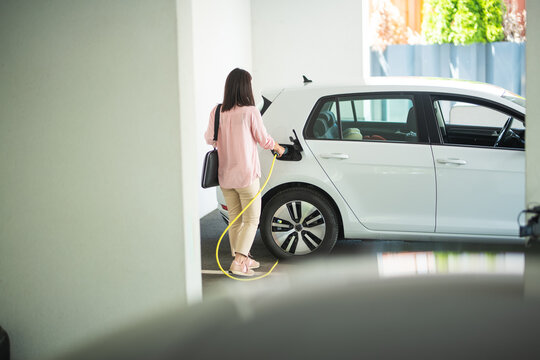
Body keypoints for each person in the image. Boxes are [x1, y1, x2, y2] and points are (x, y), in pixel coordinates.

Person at [205, 68, 285, 276]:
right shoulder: (250, 111)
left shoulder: (217, 110)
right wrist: (278, 147)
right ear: (245, 87)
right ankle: (239, 262)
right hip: (247, 177)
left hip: (225, 176)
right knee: (251, 220)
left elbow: (209, 139)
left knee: (235, 219)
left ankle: (244, 259)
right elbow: (264, 140)